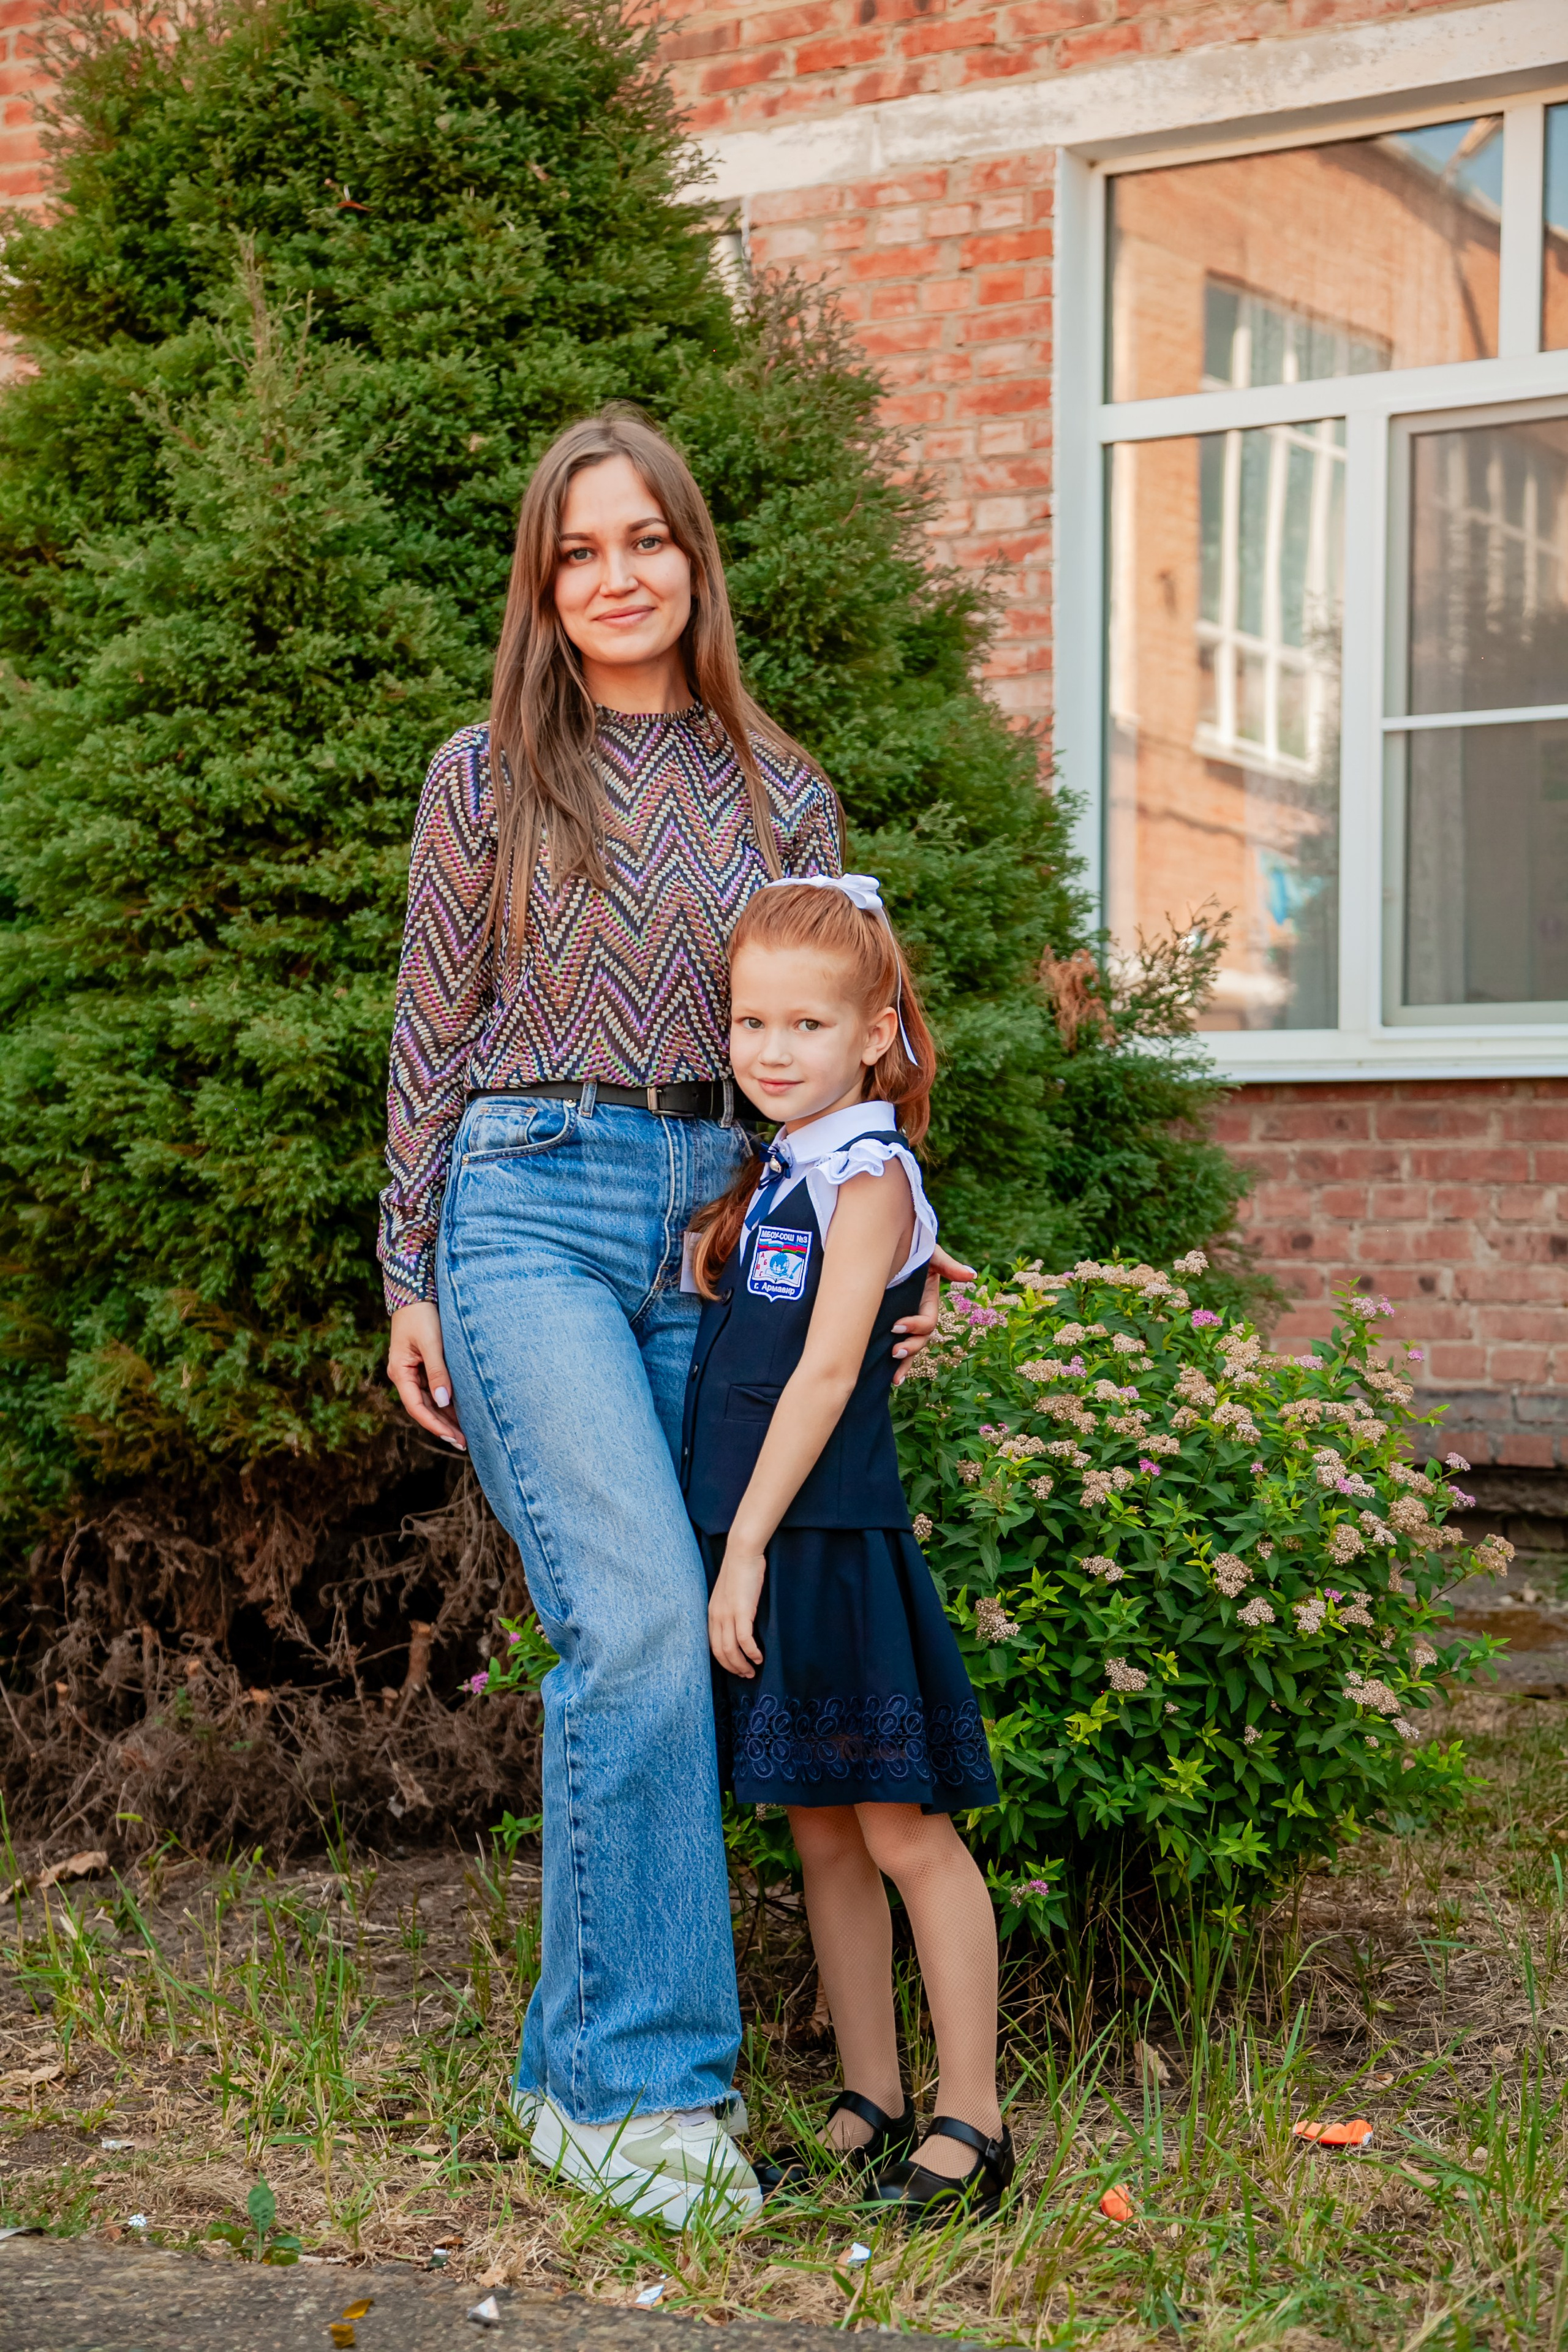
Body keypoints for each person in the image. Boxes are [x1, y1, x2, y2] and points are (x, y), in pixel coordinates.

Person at [378, 409, 967, 2230]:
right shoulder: (483, 773)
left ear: (694, 561)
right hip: (530, 1210)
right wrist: (411, 1263)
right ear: (544, 588)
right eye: (581, 551)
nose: (618, 576)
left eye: (648, 541)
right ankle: (632, 2092)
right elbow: (429, 1026)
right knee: (634, 1621)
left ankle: (604, 2065)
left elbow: (848, 1038)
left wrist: (903, 1251)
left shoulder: (783, 790)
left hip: (721, 1232)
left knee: (702, 1648)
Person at [684, 878, 1011, 2227]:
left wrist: (744, 1547)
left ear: (876, 1032)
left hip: (820, 1540)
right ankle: (867, 2097)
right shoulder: (778, 1168)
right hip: (757, 1533)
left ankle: (973, 2119)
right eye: (752, 1019)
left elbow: (825, 1375)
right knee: (818, 1828)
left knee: (898, 1826)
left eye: (807, 1024)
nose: (771, 1049)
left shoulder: (871, 1174)